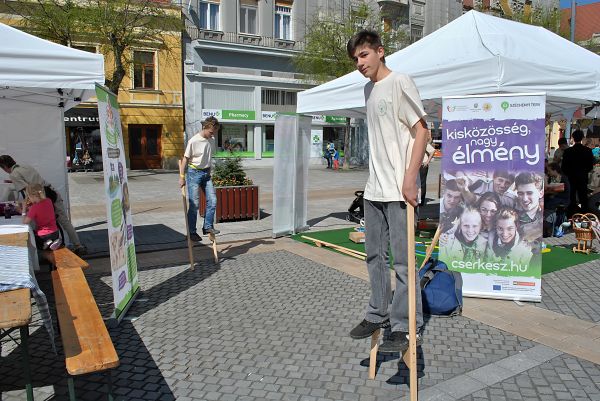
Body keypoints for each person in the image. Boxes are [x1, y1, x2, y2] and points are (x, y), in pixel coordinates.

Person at [346, 29, 427, 353]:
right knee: (373, 256)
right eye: (355, 59)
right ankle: (378, 312)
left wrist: (410, 177)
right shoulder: (369, 89)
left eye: (364, 55)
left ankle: (406, 325)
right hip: (374, 189)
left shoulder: (400, 81)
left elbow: (422, 130)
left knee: (404, 263)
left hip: (398, 189)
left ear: (380, 52)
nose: (359, 63)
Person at [0, 154, 86, 255]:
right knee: (64, 221)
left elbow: (28, 191)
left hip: (41, 199)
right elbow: (34, 181)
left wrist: (24, 207)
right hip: (51, 192)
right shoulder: (25, 166)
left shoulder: (14, 175)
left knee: (40, 224)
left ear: (4, 167)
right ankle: (78, 246)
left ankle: (44, 248)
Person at [179, 117, 220, 242]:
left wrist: (209, 171)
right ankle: (191, 232)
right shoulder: (194, 141)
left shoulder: (211, 140)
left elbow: (208, 157)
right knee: (194, 204)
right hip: (194, 173)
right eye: (211, 132)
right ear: (205, 128)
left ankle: (207, 227)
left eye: (214, 132)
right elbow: (185, 159)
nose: (212, 135)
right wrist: (181, 177)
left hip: (206, 174)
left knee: (213, 200)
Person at [21, 183, 62, 252]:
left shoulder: (34, 208)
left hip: (43, 236)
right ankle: (51, 242)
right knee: (47, 239)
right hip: (55, 232)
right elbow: (41, 210)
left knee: (31, 239)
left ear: (32, 196)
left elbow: (25, 221)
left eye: (28, 196)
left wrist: (24, 209)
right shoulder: (49, 201)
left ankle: (46, 244)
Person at [561, 129, 595, 213]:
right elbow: (590, 166)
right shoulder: (588, 151)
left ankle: (571, 214)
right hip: (583, 177)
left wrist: (570, 173)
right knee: (583, 196)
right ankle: (584, 215)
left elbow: (563, 167)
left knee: (571, 196)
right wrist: (584, 172)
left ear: (573, 138)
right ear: (582, 138)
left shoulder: (567, 151)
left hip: (571, 178)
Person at [514, 172, 544, 244]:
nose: (525, 199)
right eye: (520, 193)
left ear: (541, 193)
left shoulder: (545, 216)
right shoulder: (512, 216)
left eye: (529, 193)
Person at [419, 130, 435, 206]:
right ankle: (419, 199)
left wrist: (427, 161)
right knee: (418, 183)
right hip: (417, 165)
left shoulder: (423, 142)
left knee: (422, 183)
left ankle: (421, 200)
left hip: (423, 165)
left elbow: (432, 151)